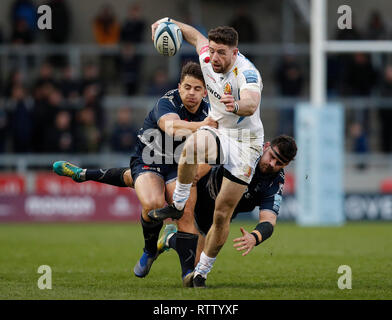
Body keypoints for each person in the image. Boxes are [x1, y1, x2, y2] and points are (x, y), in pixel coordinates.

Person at [53, 62, 217, 284]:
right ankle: (150, 250)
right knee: (153, 204)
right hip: (149, 160)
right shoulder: (167, 102)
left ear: (205, 92)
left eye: (197, 89)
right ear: (179, 87)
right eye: (187, 87)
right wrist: (204, 126)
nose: (191, 93)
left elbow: (214, 152)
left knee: (186, 213)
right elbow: (172, 128)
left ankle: (187, 274)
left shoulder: (209, 110)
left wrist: (199, 170)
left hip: (178, 164)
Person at [149, 18, 264, 288]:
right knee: (193, 146)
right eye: (212, 50)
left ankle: (202, 271)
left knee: (222, 213)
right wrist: (168, 22)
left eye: (221, 52)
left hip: (247, 142)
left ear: (235, 53)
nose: (214, 56)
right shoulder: (206, 58)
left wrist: (235, 104)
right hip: (221, 131)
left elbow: (251, 103)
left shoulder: (247, 73)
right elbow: (193, 36)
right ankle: (178, 204)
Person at [169, 135, 297, 287]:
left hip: (218, 218)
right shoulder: (246, 148)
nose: (271, 163)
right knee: (191, 259)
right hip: (199, 192)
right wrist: (196, 174)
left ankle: (169, 239)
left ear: (287, 164)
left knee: (195, 259)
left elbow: (269, 220)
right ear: (266, 146)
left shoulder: (275, 183)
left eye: (279, 163)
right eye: (272, 156)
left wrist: (255, 237)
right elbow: (214, 151)